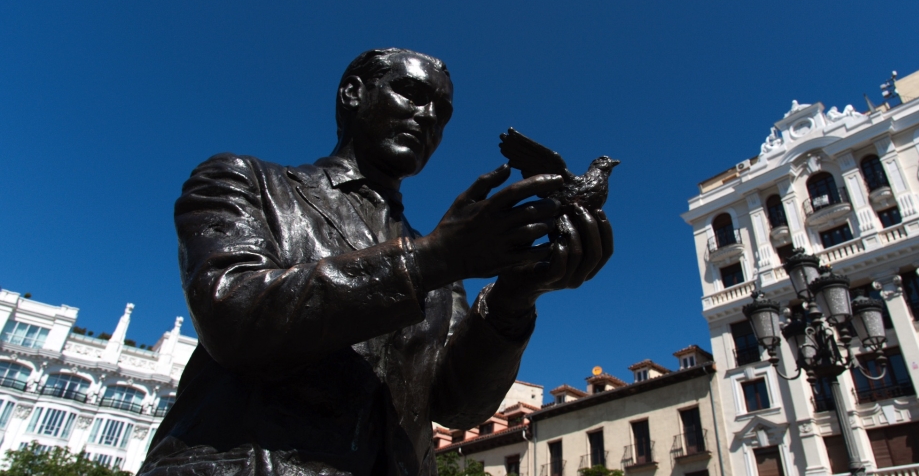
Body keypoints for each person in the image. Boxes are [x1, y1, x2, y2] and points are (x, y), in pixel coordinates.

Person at [139, 48, 613, 476]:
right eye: (411, 93)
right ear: (352, 94)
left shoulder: (440, 262)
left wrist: (514, 298)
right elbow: (233, 315)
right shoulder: (247, 182)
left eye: (442, 113)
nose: (428, 116)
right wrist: (436, 258)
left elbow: (457, 408)